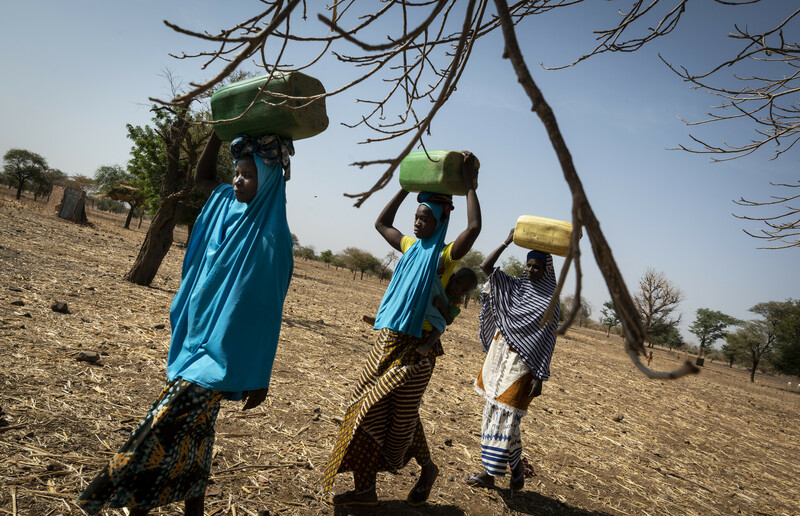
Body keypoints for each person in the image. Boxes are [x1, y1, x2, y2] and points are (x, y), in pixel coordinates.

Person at [77, 131, 294, 516]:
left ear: (270, 179)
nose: (238, 181)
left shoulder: (271, 237)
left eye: (248, 175)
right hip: (195, 340)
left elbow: (265, 313)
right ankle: (194, 507)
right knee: (195, 433)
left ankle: (115, 497)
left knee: (160, 426)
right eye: (238, 173)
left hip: (221, 360)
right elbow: (203, 179)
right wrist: (217, 131)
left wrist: (259, 374)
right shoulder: (227, 203)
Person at [322, 152, 481, 506]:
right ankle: (377, 485)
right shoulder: (410, 248)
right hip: (390, 340)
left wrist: (469, 185)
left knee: (395, 413)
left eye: (425, 218)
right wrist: (407, 188)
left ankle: (406, 475)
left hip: (419, 349)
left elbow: (472, 230)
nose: (417, 223)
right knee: (373, 408)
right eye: (416, 217)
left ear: (439, 221)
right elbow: (381, 224)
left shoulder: (442, 258)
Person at [464, 229, 559, 492]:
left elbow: (548, 341)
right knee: (495, 416)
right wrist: (507, 241)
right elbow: (486, 266)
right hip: (498, 359)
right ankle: (516, 471)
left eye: (537, 267)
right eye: (528, 265)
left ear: (547, 270)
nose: (530, 270)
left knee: (507, 419)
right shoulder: (514, 285)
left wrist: (540, 377)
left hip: (522, 368)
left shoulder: (550, 302)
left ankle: (488, 473)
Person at [416, 267, 478, 357]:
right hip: (425, 311)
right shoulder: (442, 283)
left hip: (437, 319)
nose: (458, 289)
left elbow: (449, 321)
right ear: (452, 278)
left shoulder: (456, 303)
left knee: (441, 325)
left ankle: (427, 345)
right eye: (457, 282)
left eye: (464, 290)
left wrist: (441, 306)